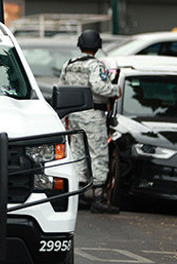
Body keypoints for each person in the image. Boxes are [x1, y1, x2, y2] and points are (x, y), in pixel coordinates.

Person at [58, 29, 121, 214]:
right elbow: (99, 87)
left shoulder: (69, 64)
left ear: (80, 44)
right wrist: (116, 90)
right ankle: (98, 197)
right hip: (93, 115)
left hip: (74, 114)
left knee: (78, 152)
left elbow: (62, 87)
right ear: (97, 46)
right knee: (98, 153)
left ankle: (78, 194)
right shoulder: (96, 66)